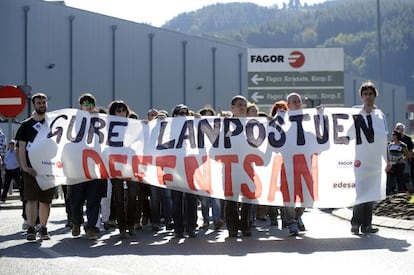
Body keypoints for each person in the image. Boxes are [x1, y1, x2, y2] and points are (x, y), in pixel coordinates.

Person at [15, 92, 56, 241]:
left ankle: (43, 228)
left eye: (44, 102)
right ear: (34, 105)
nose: (42, 105)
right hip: (31, 169)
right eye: (39, 103)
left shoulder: (53, 123)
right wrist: (24, 167)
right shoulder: (26, 125)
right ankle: (31, 228)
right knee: (31, 199)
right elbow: (20, 147)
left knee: (46, 201)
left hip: (48, 168)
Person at [70, 93, 107, 240]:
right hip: (78, 167)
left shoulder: (100, 120)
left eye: (90, 104)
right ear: (80, 106)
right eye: (85, 104)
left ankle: (91, 227)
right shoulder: (74, 120)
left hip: (95, 167)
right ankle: (76, 222)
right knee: (76, 199)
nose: (88, 106)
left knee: (94, 199)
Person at [350, 81, 382, 235]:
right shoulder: (355, 112)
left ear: (375, 96)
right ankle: (355, 224)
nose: (368, 97)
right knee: (361, 192)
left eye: (370, 94)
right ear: (361, 96)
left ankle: (367, 225)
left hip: (374, 160)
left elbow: (383, 139)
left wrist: (387, 160)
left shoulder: (379, 115)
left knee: (371, 193)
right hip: (359, 159)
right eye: (365, 94)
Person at [108, 100, 140, 239]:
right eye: (118, 111)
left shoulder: (134, 126)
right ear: (113, 113)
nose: (121, 113)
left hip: (131, 165)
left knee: (133, 196)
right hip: (115, 166)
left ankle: (130, 224)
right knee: (119, 197)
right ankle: (122, 228)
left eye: (123, 110)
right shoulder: (108, 127)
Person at [170, 104, 199, 238]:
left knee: (191, 198)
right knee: (177, 199)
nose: (184, 115)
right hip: (175, 167)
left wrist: (200, 121)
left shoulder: (193, 127)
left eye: (186, 113)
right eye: (181, 113)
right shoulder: (167, 129)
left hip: (190, 166)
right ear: (174, 115)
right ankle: (178, 229)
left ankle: (191, 227)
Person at [225, 95, 252, 237]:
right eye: (240, 105)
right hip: (230, 166)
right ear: (233, 107)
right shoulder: (224, 125)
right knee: (231, 199)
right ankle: (232, 227)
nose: (243, 108)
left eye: (244, 105)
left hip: (248, 166)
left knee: (248, 198)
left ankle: (245, 225)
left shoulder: (252, 124)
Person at [197, 106, 224, 231]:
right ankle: (206, 220)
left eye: (210, 115)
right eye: (205, 116)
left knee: (216, 196)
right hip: (202, 167)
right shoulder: (197, 130)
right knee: (204, 198)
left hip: (215, 166)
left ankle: (217, 219)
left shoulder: (218, 130)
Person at [284, 92, 307, 236]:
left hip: (305, 163)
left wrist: (322, 116)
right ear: (288, 105)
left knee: (307, 195)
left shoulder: (309, 119)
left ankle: (298, 215)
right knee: (288, 195)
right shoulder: (282, 120)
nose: (297, 103)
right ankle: (291, 223)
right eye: (294, 101)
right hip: (287, 162)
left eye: (298, 101)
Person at [385, 130, 410, 195]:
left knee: (399, 179)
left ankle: (400, 194)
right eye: (392, 135)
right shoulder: (390, 145)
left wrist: (403, 159)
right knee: (390, 180)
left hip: (399, 164)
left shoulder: (402, 145)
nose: (393, 136)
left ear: (397, 136)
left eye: (394, 135)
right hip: (392, 165)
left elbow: (407, 155)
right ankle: (388, 194)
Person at [394, 122, 413, 192]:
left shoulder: (407, 138)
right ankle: (399, 191)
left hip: (405, 160)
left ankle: (411, 191)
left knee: (406, 176)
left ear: (403, 130)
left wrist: (405, 158)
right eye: (396, 128)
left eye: (399, 128)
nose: (397, 130)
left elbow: (411, 151)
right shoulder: (395, 139)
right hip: (396, 160)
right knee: (397, 177)